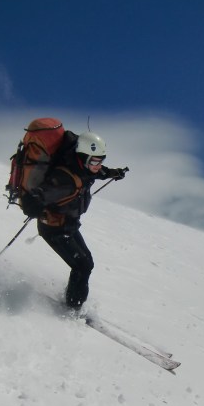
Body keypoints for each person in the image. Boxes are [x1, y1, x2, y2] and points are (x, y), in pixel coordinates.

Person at [19, 131, 127, 309]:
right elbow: (44, 192)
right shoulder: (66, 179)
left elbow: (98, 172)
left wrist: (114, 173)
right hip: (54, 229)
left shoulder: (84, 168)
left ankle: (73, 302)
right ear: (83, 157)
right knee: (83, 265)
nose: (98, 165)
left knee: (86, 263)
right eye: (94, 161)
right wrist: (34, 201)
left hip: (69, 226)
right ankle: (73, 307)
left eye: (101, 160)